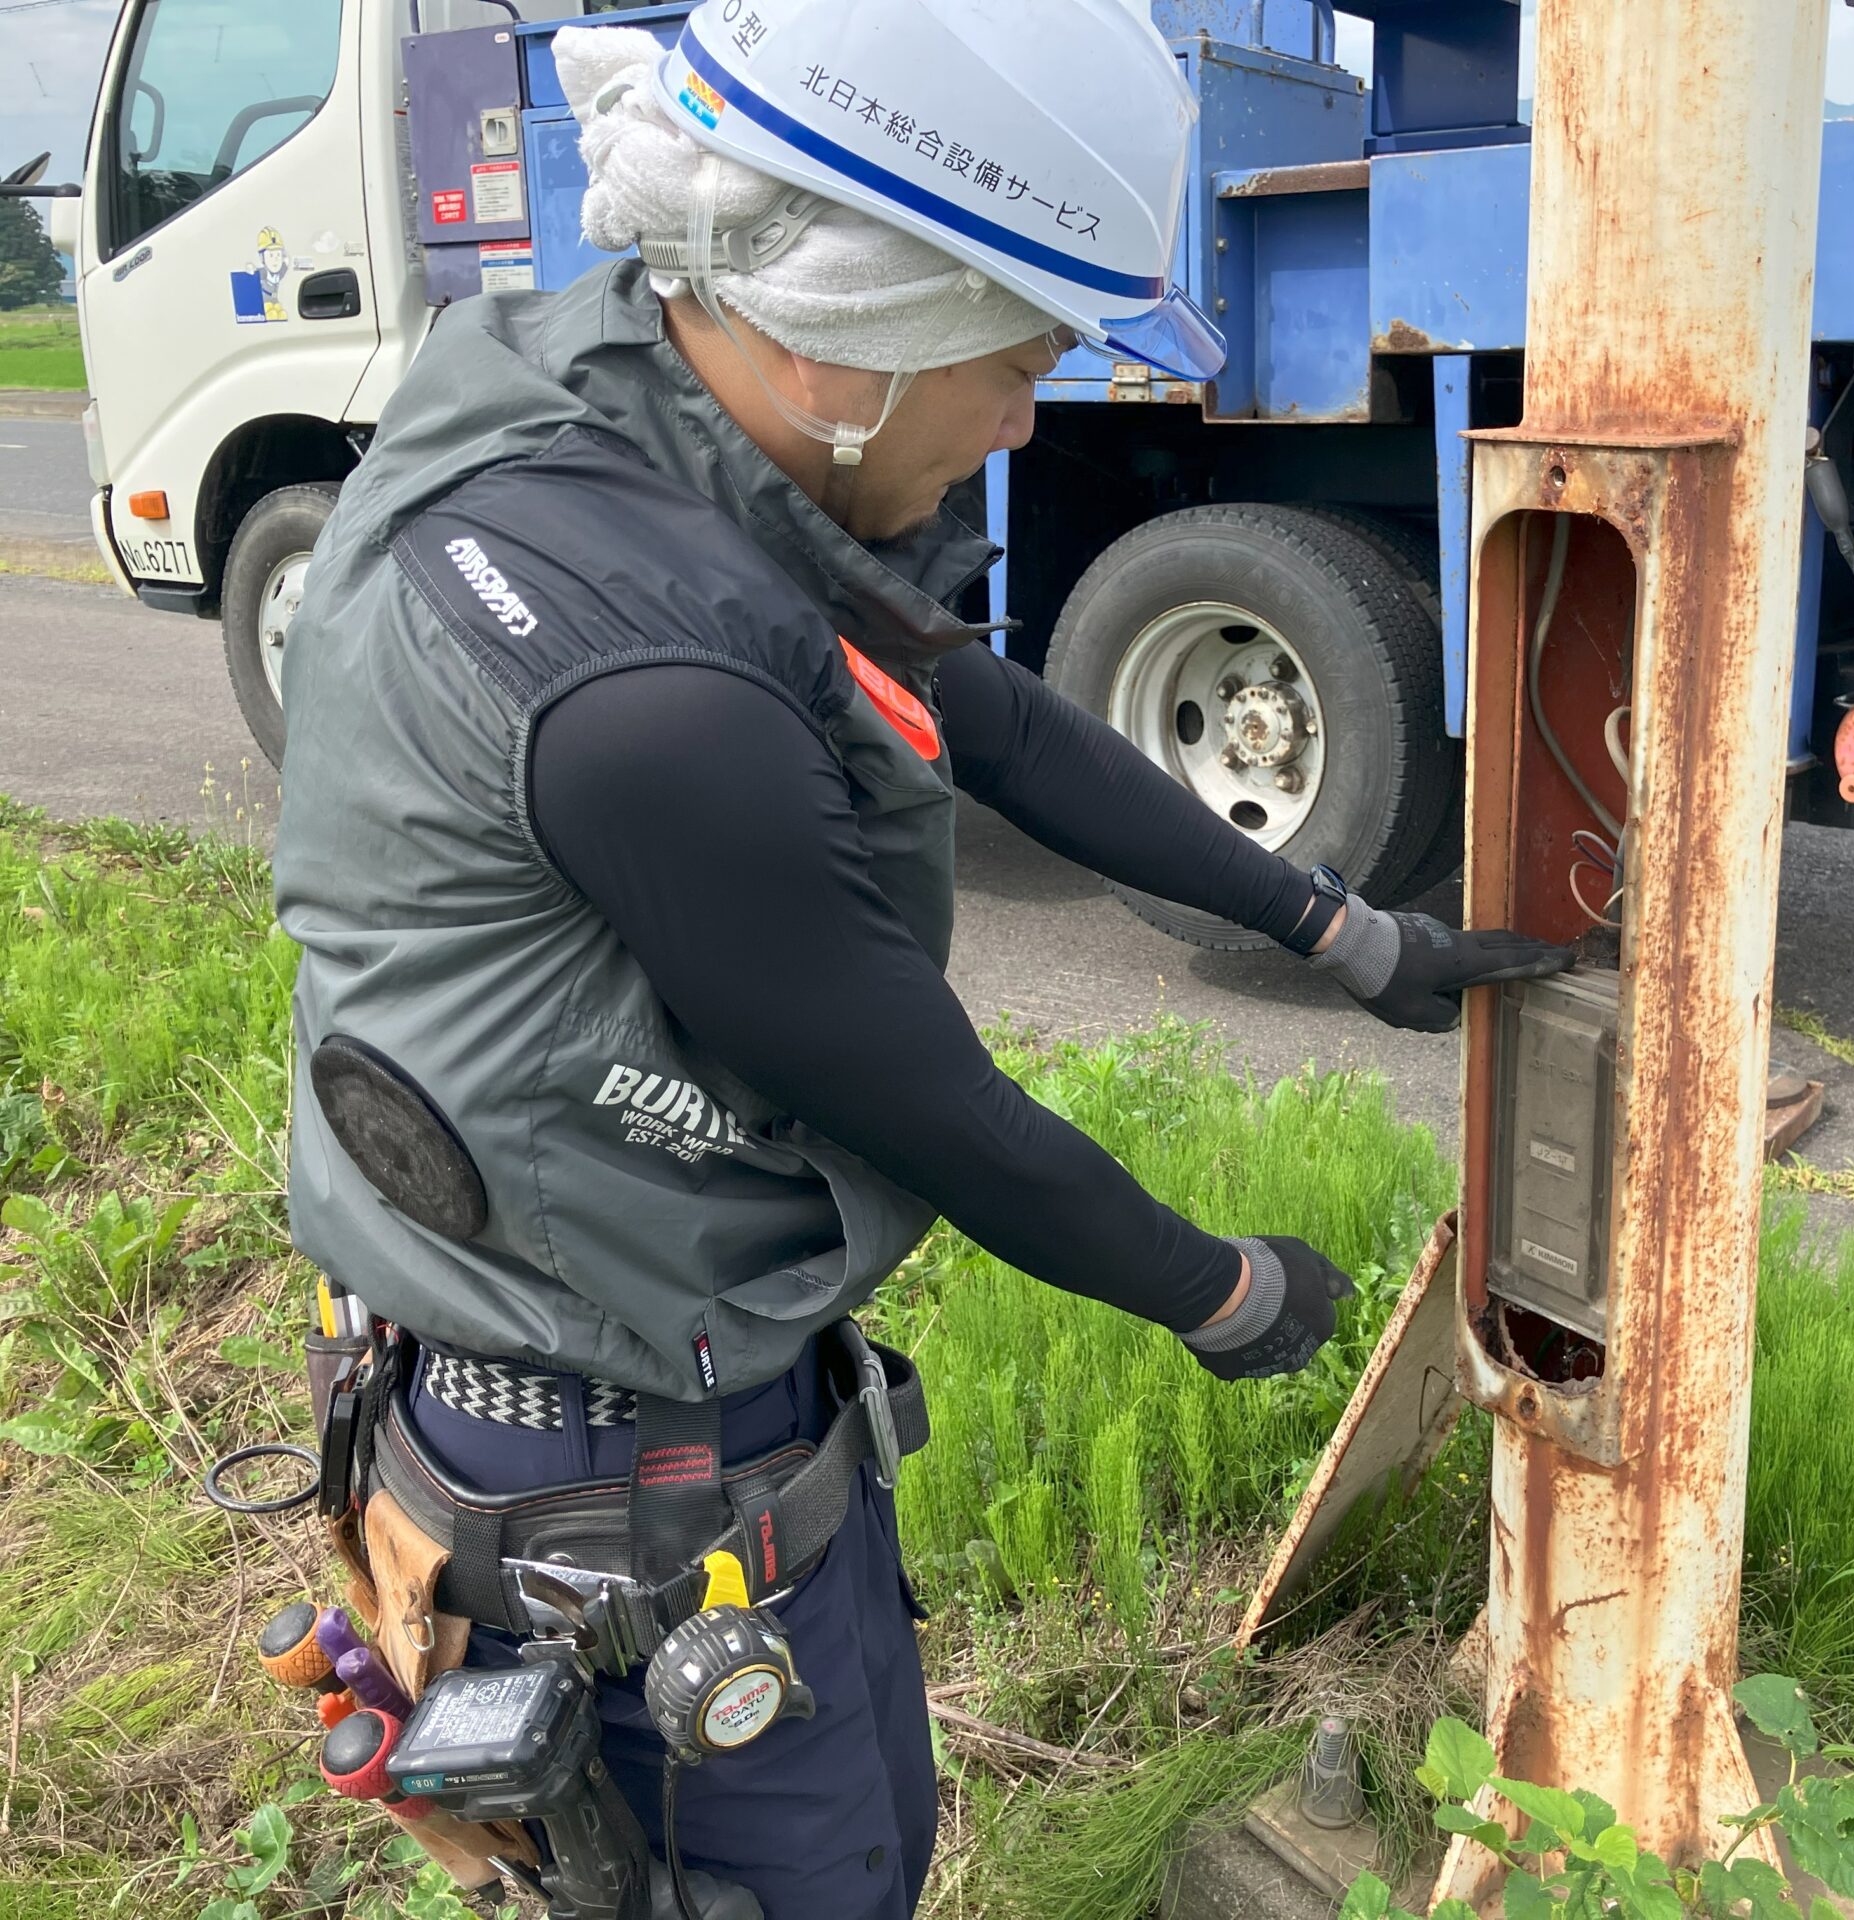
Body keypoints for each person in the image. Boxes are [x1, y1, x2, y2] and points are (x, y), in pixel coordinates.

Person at [269, 4, 1568, 1917]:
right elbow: (929, 1106)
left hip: (571, 1378)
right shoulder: (657, 709)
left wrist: (1345, 930)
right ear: (847, 334)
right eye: (1020, 361)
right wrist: (1221, 1292)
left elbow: (985, 712)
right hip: (605, 1457)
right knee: (801, 1878)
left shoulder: (624, 381)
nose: (1030, 419)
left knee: (857, 1828)